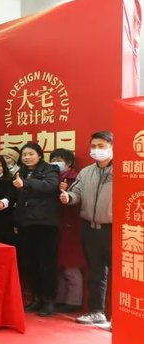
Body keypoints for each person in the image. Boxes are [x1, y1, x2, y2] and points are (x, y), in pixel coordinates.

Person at [60, 131, 114, 326]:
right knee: (96, 272)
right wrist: (69, 197)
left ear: (112, 147)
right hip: (89, 228)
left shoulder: (125, 170)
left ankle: (122, 317)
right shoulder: (86, 172)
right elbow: (76, 193)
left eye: (101, 146)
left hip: (114, 230)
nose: (96, 150)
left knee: (120, 275)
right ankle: (96, 311)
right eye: (94, 146)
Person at [13, 142, 61, 316]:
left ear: (40, 155)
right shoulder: (22, 171)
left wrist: (25, 183)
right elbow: (19, 199)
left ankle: (48, 301)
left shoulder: (51, 169)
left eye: (31, 154)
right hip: (26, 224)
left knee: (46, 264)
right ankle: (36, 298)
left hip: (45, 224)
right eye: (24, 155)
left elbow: (49, 186)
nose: (27, 157)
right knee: (30, 263)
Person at [51, 148, 84, 314]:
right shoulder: (51, 178)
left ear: (69, 163)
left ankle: (74, 301)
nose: (55, 163)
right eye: (53, 159)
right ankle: (60, 298)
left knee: (71, 267)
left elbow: (79, 201)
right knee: (59, 266)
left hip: (72, 227)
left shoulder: (76, 178)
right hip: (56, 226)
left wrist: (67, 191)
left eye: (59, 160)